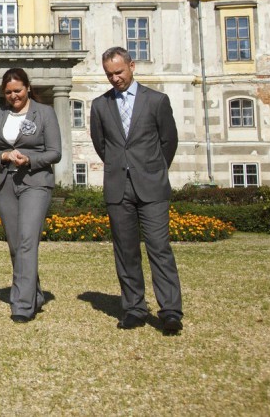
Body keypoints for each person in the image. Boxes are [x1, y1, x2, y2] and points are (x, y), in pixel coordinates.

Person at [90, 46, 183, 335]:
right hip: (118, 188)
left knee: (159, 249)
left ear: (132, 66)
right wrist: (121, 166)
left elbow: (169, 141)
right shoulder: (100, 105)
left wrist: (152, 169)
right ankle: (134, 308)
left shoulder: (157, 101)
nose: (115, 78)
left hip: (152, 187)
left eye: (119, 72)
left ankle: (169, 312)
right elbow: (101, 144)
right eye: (109, 74)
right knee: (126, 251)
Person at [0, 68, 61, 323]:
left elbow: (55, 152)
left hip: (35, 181)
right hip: (5, 181)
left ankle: (22, 304)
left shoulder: (45, 112)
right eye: (8, 92)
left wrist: (30, 158)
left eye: (17, 90)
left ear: (27, 87)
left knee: (27, 240)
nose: (13, 96)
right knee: (16, 245)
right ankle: (34, 293)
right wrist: (4, 156)